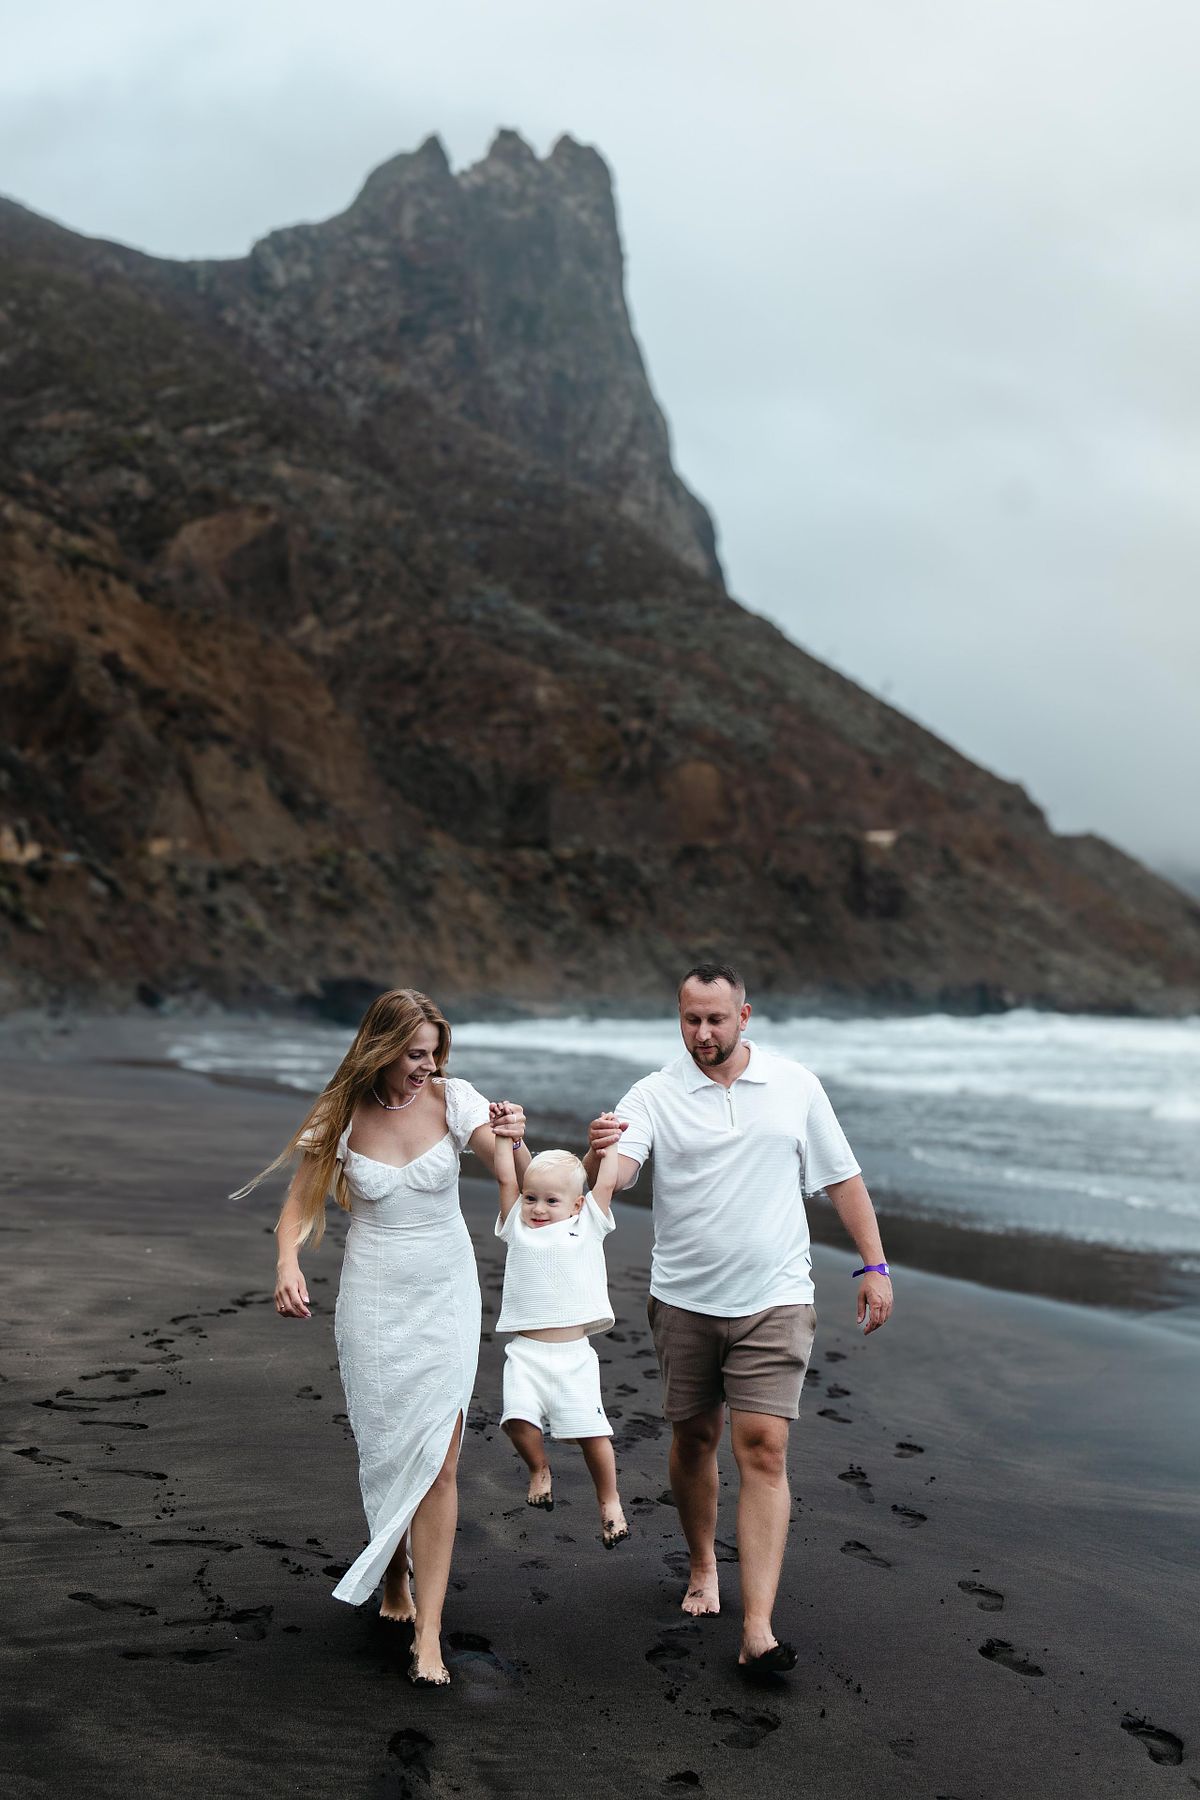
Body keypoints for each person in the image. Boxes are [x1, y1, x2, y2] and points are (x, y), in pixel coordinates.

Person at [583, 962, 892, 1676]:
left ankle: (758, 1628)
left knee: (764, 1449)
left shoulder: (795, 1085)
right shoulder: (653, 1093)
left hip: (776, 1297)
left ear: (744, 1016)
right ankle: (702, 1564)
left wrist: (874, 1267)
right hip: (684, 1301)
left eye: (716, 1019)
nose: (703, 1033)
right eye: (690, 1019)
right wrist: (603, 1153)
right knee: (695, 1439)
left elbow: (842, 1178)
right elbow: (623, 1169)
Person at [239, 988, 528, 1687]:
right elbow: (297, 1204)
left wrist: (515, 1139)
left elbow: (514, 1180)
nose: (427, 1067)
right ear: (382, 1048)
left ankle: (429, 1635)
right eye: (414, 1054)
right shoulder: (340, 1111)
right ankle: (393, 1571)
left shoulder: (455, 1100)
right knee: (385, 1447)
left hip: (445, 1293)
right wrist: (286, 1265)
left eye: (434, 1053)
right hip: (372, 1296)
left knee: (439, 1459)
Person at [491, 1129, 630, 1548]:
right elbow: (506, 1178)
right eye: (531, 1198)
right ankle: (539, 1469)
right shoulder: (516, 1226)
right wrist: (504, 1138)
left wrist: (611, 1147)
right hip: (526, 1354)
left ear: (576, 1205)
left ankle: (610, 1503)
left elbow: (606, 1182)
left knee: (593, 1434)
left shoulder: (589, 1224)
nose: (538, 1208)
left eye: (552, 1201)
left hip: (574, 1357)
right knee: (516, 1421)